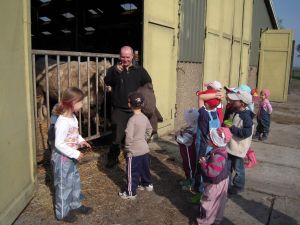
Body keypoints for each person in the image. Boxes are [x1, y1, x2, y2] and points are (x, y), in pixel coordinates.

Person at [104, 46, 152, 168]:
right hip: (119, 109)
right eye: (123, 57)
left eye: (128, 57)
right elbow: (107, 81)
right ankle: (112, 158)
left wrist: (145, 103)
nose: (125, 59)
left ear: (132, 57)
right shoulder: (113, 70)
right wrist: (116, 71)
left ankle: (132, 157)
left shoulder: (140, 71)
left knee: (134, 136)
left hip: (135, 110)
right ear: (120, 56)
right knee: (116, 136)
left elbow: (148, 85)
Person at [51, 87, 93, 223]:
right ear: (72, 103)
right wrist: (74, 153)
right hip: (63, 158)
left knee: (74, 181)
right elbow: (58, 143)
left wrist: (81, 141)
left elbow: (74, 133)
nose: (82, 104)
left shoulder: (73, 118)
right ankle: (62, 212)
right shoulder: (62, 122)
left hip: (71, 157)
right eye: (81, 102)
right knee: (64, 184)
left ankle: (75, 204)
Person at [119, 92, 153, 200]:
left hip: (134, 151)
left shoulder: (132, 120)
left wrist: (127, 148)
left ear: (129, 104)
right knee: (144, 168)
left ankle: (130, 192)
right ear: (142, 104)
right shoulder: (144, 117)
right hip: (144, 149)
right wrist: (145, 139)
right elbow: (149, 129)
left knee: (132, 172)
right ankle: (147, 184)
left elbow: (128, 136)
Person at [197, 127, 232, 225]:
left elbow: (211, 173)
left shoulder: (217, 157)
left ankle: (206, 221)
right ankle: (216, 220)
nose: (208, 139)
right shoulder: (221, 150)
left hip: (215, 184)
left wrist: (203, 164)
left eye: (210, 138)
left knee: (208, 202)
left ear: (215, 142)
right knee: (218, 203)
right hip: (222, 181)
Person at [224, 90, 254, 195]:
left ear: (242, 103)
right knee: (227, 167)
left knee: (238, 169)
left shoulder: (245, 116)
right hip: (231, 146)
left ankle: (238, 186)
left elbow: (246, 132)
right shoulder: (237, 111)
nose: (232, 100)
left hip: (238, 148)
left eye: (235, 100)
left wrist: (232, 128)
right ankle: (225, 185)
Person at [175, 108, 198, 190]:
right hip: (193, 152)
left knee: (189, 167)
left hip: (188, 153)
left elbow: (183, 140)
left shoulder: (190, 131)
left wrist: (177, 135)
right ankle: (189, 179)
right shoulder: (196, 127)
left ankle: (191, 183)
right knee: (190, 166)